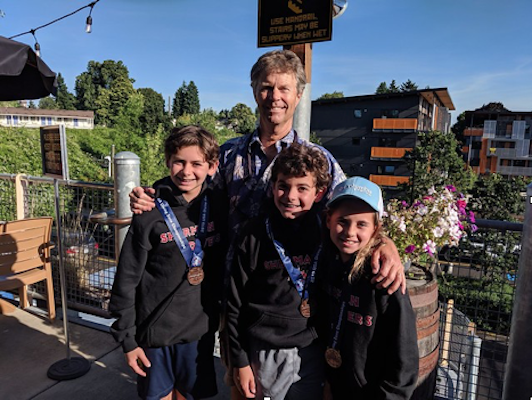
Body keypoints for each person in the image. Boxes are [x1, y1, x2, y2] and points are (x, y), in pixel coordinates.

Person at [109, 126, 227, 400]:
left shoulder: (221, 205)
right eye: (179, 162)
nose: (187, 171)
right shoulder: (149, 212)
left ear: (212, 166)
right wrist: (127, 339)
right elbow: (126, 278)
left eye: (197, 163)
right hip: (155, 332)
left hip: (199, 333)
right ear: (167, 162)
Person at [225, 143, 330, 400]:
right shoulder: (253, 234)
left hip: (312, 351)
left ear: (319, 193)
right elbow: (233, 304)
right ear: (272, 187)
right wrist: (239, 361)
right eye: (283, 185)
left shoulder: (327, 233)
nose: (290, 196)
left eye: (302, 188)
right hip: (263, 351)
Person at [320, 177, 419, 399]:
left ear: (376, 229)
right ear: (328, 220)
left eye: (361, 224)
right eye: (342, 221)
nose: (349, 232)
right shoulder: (326, 261)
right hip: (334, 386)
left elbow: (404, 355)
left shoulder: (385, 277)